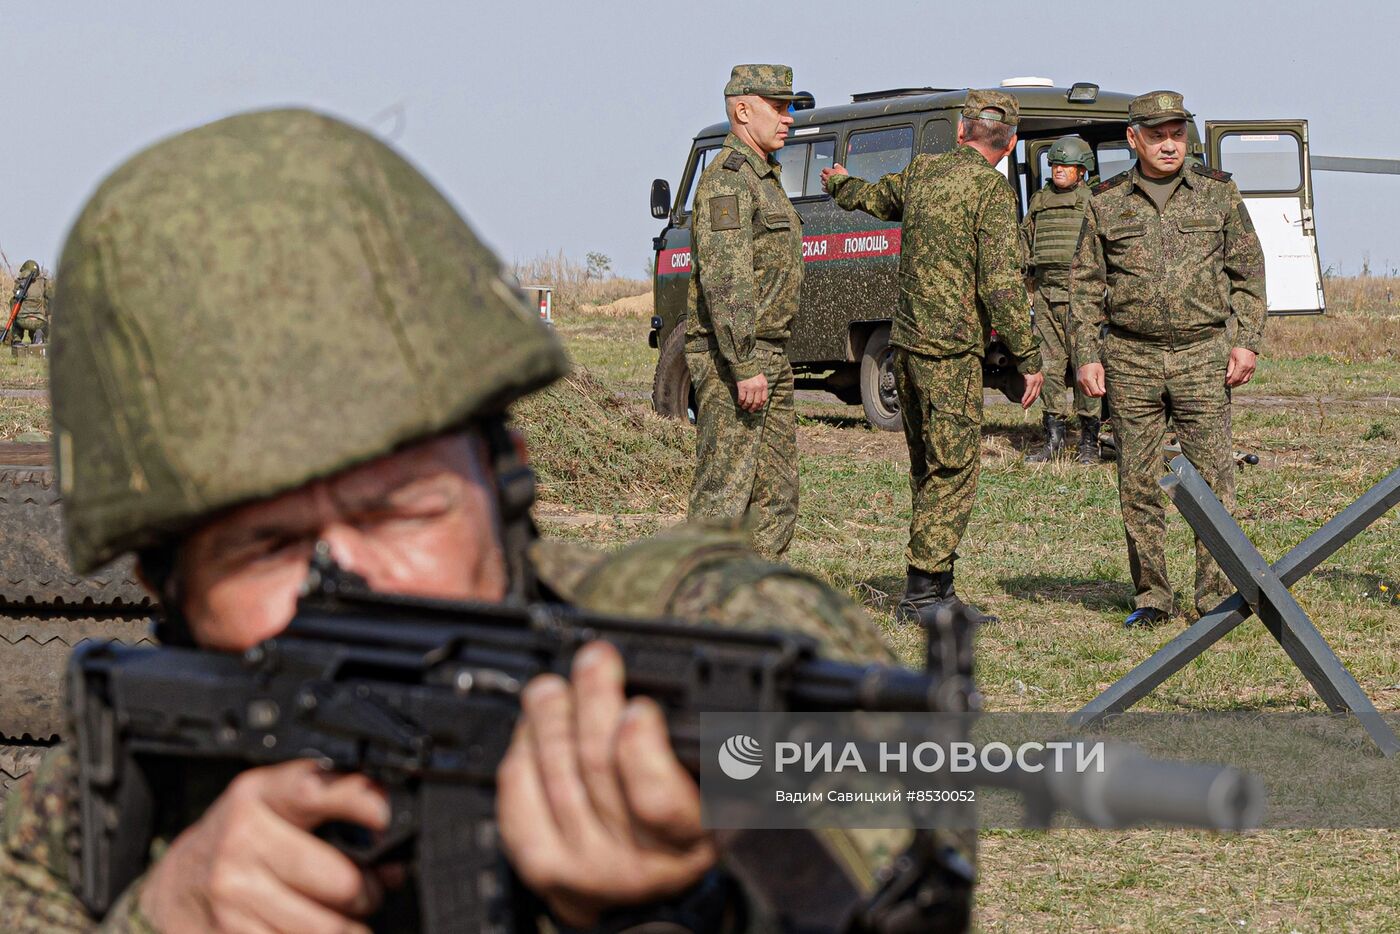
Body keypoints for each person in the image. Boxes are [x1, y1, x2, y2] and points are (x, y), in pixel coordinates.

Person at [0, 109, 948, 932]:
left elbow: (879, 863)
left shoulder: (713, 642)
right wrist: (162, 917)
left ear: (509, 483)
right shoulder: (147, 757)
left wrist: (687, 910)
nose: (350, 579)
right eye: (267, 546)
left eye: (401, 508)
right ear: (163, 592)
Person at [820, 89, 1043, 626]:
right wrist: (1028, 355)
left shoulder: (923, 172)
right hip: (950, 355)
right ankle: (923, 593)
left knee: (927, 466)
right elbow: (1002, 286)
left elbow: (874, 199)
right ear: (1010, 142)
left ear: (962, 130)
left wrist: (840, 183)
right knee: (954, 469)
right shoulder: (991, 192)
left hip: (906, 351)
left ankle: (935, 587)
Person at [1069, 91, 1266, 628]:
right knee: (1137, 481)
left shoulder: (1217, 195)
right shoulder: (1104, 200)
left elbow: (1248, 273)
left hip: (1203, 354)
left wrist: (1245, 339)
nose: (1169, 144)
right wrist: (1086, 355)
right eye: (1157, 134)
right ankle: (1153, 597)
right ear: (1134, 139)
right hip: (1130, 356)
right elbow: (1085, 287)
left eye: (1177, 133)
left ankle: (1215, 597)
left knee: (1213, 479)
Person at [685, 64, 804, 561]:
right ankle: (696, 607)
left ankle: (754, 601)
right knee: (725, 493)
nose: (789, 119)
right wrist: (744, 364)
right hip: (734, 359)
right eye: (778, 108)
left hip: (769, 353)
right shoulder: (727, 183)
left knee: (777, 494)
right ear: (742, 110)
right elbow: (726, 280)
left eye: (789, 108)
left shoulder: (765, 179)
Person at [1021, 137, 1100, 464]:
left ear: (1082, 170)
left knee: (1086, 365)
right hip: (1045, 293)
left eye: (1065, 166)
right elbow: (1025, 241)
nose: (1059, 171)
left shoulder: (1092, 201)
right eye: (1054, 165)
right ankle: (1054, 438)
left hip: (1080, 294)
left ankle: (1089, 443)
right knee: (1049, 368)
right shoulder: (1039, 201)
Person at [8, 260, 51, 346]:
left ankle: (17, 339)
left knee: (16, 319)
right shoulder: (44, 282)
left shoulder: (19, 283)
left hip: (22, 320)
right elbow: (50, 299)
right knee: (42, 321)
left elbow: (14, 301)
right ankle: (38, 336)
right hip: (39, 321)